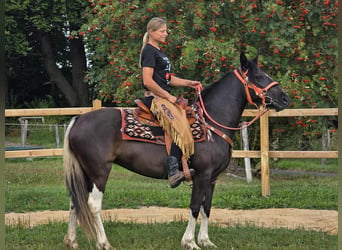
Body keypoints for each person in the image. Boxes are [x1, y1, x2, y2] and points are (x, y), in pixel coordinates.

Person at [139, 17, 201, 188]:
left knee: (185, 119)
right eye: (162, 31)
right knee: (178, 123)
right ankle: (173, 171)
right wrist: (168, 96)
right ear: (151, 32)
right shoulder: (149, 51)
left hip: (162, 96)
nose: (166, 34)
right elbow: (148, 81)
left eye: (166, 31)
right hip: (155, 98)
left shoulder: (159, 52)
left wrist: (189, 82)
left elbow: (167, 78)